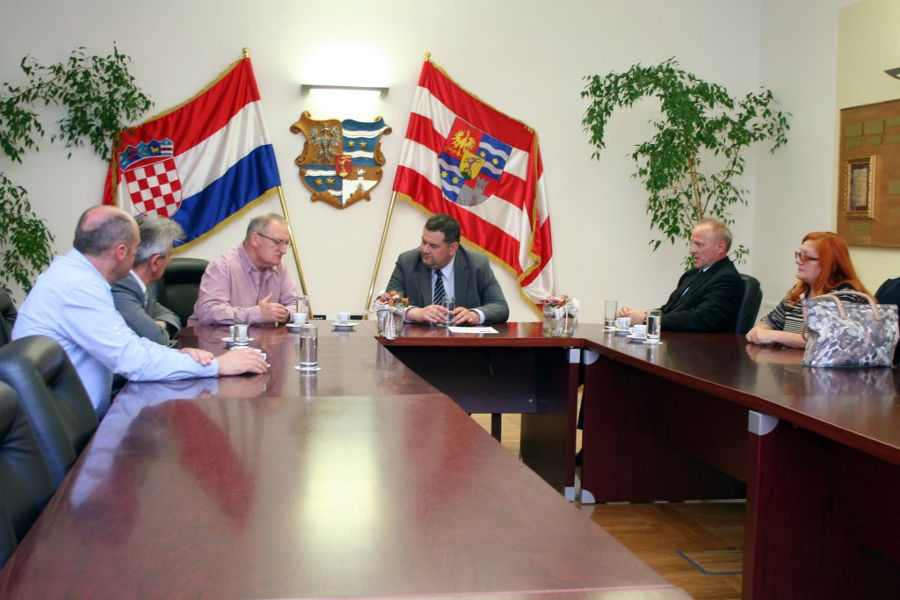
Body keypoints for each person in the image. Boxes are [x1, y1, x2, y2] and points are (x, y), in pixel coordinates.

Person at [12, 206, 268, 417]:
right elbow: (134, 361)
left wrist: (178, 355)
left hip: (76, 416)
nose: (138, 257)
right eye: (136, 249)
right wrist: (217, 364)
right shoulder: (79, 288)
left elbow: (130, 344)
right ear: (121, 252)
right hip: (73, 431)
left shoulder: (78, 277)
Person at [746, 231, 869, 348]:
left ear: (829, 264)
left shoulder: (846, 295)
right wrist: (760, 331)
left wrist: (774, 336)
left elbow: (827, 340)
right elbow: (769, 322)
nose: (798, 261)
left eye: (806, 257)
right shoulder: (799, 292)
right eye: (799, 254)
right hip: (789, 361)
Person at [618, 218, 742, 332]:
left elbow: (700, 319)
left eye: (699, 244)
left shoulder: (727, 278)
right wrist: (638, 316)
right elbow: (669, 310)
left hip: (701, 346)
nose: (692, 250)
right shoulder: (692, 274)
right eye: (692, 244)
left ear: (720, 247)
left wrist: (647, 319)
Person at [385, 213, 509, 325]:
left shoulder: (477, 264)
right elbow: (387, 302)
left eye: (433, 246)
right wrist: (414, 313)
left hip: (463, 341)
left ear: (452, 248)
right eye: (423, 242)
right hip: (419, 340)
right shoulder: (408, 262)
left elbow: (500, 307)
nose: (425, 249)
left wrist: (475, 314)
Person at [188, 213, 301, 326]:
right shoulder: (222, 266)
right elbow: (208, 312)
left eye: (286, 243)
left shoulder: (280, 268)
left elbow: (299, 305)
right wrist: (256, 315)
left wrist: (285, 314)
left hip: (258, 336)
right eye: (278, 242)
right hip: (209, 336)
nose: (284, 250)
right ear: (255, 239)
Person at [111, 214, 183, 346]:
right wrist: (156, 329)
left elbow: (170, 316)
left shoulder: (140, 285)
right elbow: (156, 339)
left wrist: (160, 325)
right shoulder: (121, 287)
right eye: (169, 255)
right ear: (155, 262)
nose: (170, 261)